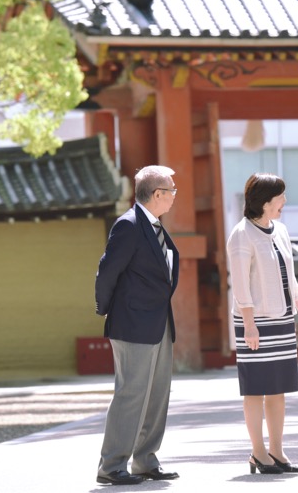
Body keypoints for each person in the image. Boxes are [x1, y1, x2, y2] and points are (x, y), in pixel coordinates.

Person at [94, 165, 180, 485]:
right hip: (131, 323)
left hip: (159, 323)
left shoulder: (156, 225)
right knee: (131, 393)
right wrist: (106, 310)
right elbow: (107, 272)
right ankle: (111, 465)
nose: (174, 195)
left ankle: (145, 460)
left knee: (157, 394)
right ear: (157, 194)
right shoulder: (129, 225)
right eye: (171, 190)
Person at [226, 173, 298, 475]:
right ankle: (257, 452)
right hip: (254, 322)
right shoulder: (241, 235)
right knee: (255, 389)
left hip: (280, 319)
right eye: (281, 197)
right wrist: (249, 324)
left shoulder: (279, 230)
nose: (285, 202)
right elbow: (240, 285)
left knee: (277, 388)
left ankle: (276, 451)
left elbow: (290, 277)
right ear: (266, 202)